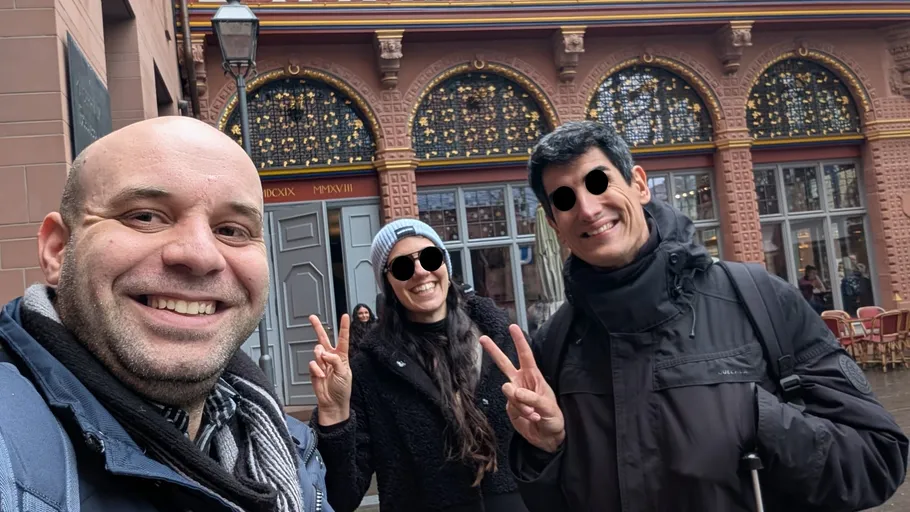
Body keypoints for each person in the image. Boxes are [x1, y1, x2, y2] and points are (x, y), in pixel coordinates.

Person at [479, 121, 908, 512]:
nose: (588, 209)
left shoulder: (760, 301)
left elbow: (878, 458)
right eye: (565, 199)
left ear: (639, 184)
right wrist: (547, 448)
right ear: (555, 224)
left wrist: (759, 417)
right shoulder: (555, 343)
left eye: (598, 182)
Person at [0, 116, 332, 512]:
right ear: (57, 250)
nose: (200, 255)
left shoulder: (287, 447)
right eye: (145, 216)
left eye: (231, 230)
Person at [306, 219, 530, 512]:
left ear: (445, 264)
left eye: (430, 257)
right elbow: (339, 497)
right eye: (402, 267)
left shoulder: (504, 338)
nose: (421, 271)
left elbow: (552, 445)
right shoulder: (369, 370)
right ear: (388, 283)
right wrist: (334, 415)